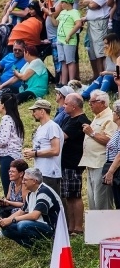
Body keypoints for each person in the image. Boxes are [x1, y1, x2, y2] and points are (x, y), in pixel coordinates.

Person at [0, 168, 61, 248]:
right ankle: (36, 248)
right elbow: (21, 211)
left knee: (23, 225)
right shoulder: (30, 194)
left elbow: (34, 215)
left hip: (52, 228)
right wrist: (5, 221)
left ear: (34, 181)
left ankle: (47, 245)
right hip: (38, 225)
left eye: (25, 180)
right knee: (6, 229)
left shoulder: (44, 192)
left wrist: (12, 220)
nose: (23, 182)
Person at [59, 94, 90, 234]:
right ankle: (71, 226)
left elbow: (62, 137)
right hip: (66, 163)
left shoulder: (80, 121)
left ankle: (78, 227)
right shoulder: (69, 119)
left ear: (74, 106)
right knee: (69, 196)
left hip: (73, 164)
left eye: (66, 104)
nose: (63, 106)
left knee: (75, 195)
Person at [82, 90, 118, 211]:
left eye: (92, 101)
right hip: (92, 163)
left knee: (102, 202)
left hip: (101, 164)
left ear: (102, 103)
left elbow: (110, 141)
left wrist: (92, 133)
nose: (89, 104)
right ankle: (96, 223)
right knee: (93, 201)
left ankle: (105, 224)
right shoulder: (97, 117)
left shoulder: (110, 118)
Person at [22, 99, 62, 196]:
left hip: (50, 173)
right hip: (41, 172)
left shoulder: (52, 126)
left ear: (42, 111)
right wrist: (32, 151)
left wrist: (35, 153)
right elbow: (42, 147)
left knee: (51, 200)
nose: (33, 114)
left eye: (34, 111)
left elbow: (55, 150)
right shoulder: (40, 128)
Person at [0, 93, 25, 196]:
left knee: (8, 190)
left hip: (7, 157)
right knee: (16, 190)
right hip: (16, 157)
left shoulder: (6, 118)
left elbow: (3, 141)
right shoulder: (16, 119)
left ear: (3, 105)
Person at [101, 101, 120, 208]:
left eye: (114, 111)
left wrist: (110, 172)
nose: (112, 113)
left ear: (118, 115)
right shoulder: (117, 130)